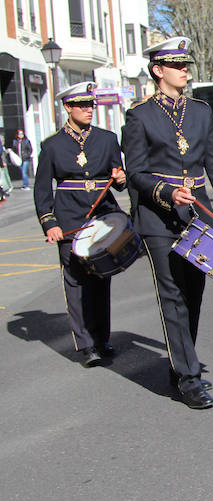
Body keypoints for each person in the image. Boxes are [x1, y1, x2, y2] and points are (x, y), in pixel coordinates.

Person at [122, 36, 213, 409]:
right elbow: (136, 173)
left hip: (197, 214)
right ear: (158, 70)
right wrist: (165, 192)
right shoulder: (139, 114)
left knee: (193, 294)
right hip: (157, 216)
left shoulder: (199, 111)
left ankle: (181, 367)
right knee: (173, 296)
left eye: (187, 65)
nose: (185, 70)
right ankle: (189, 379)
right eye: (177, 65)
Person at [33, 82, 127, 367]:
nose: (89, 110)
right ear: (67, 107)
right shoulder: (51, 146)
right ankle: (86, 344)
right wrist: (49, 223)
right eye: (83, 105)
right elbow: (42, 190)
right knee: (76, 282)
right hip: (69, 219)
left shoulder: (108, 138)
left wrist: (122, 179)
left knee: (102, 278)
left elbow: (118, 177)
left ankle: (102, 338)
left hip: (103, 217)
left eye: (91, 105)